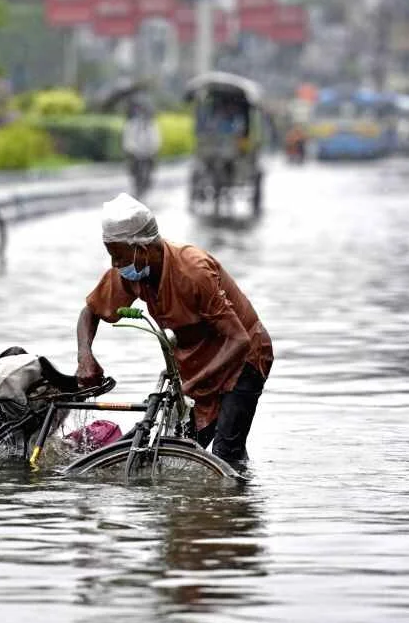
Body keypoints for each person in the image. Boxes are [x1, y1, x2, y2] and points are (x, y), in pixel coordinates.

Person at [76, 194, 274, 465]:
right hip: (196, 364)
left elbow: (238, 340)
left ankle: (235, 500)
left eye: (117, 257)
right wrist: (85, 355)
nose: (114, 265)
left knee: (225, 454)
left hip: (244, 358)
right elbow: (90, 312)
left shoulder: (193, 272)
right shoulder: (133, 269)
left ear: (141, 250)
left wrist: (190, 384)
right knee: (169, 443)